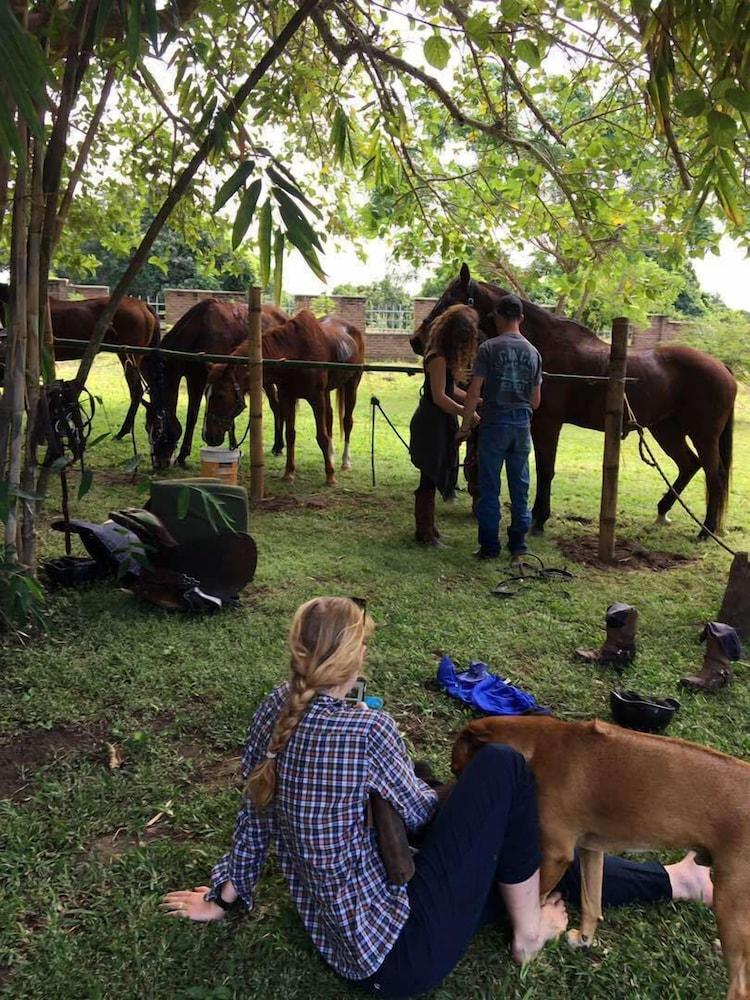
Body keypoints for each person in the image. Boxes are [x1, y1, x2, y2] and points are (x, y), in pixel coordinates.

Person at [162, 597, 713, 999]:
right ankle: (529, 933)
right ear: (356, 662)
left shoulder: (274, 708)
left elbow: (253, 810)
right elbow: (423, 814)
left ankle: (679, 880)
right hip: (401, 950)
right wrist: (461, 793)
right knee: (503, 770)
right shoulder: (366, 731)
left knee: (516, 848)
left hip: (347, 941)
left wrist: (224, 895)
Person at [458, 293, 542, 560]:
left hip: (494, 425)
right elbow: (536, 401)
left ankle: (489, 546)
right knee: (520, 485)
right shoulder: (533, 352)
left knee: (489, 486)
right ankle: (518, 544)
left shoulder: (488, 349)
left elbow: (473, 392)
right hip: (521, 426)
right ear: (521, 318)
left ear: (499, 318)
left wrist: (464, 425)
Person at [409, 303, 480, 546]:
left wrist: (476, 401)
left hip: (440, 420)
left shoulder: (443, 357)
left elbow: (452, 390)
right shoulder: (437, 358)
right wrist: (466, 412)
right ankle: (424, 532)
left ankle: (429, 527)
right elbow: (439, 397)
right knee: (429, 474)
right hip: (431, 421)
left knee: (434, 471)